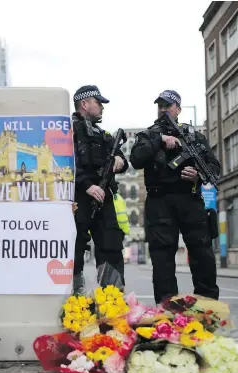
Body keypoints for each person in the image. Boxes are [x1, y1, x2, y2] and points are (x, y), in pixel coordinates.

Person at [129, 90, 220, 304]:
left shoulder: (195, 136)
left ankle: (208, 308)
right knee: (162, 260)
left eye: (167, 106)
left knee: (202, 254)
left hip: (190, 199)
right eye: (159, 105)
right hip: (159, 202)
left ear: (178, 109)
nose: (162, 109)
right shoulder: (147, 135)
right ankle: (167, 311)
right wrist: (159, 139)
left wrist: (198, 176)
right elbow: (136, 159)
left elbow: (215, 168)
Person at [72, 85, 128, 292]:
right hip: (79, 198)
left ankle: (111, 299)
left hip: (104, 197)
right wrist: (87, 185)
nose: (103, 107)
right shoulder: (68, 129)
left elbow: (124, 159)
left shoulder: (103, 134)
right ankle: (74, 297)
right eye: (99, 103)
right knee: (74, 247)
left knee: (110, 246)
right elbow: (61, 163)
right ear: (85, 104)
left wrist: (119, 160)